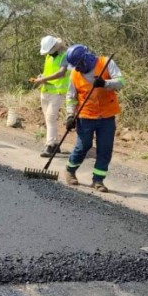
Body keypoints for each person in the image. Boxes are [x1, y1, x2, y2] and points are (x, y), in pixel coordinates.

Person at [64, 44, 125, 192]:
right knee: (83, 145)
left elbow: (121, 82)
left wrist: (105, 83)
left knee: (105, 148)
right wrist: (70, 116)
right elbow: (71, 97)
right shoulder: (74, 74)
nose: (77, 69)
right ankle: (70, 170)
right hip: (85, 115)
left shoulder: (106, 63)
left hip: (107, 116)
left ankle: (98, 180)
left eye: (79, 65)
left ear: (85, 59)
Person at [30, 35, 70, 157]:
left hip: (58, 92)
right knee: (48, 119)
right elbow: (49, 71)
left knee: (50, 117)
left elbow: (61, 73)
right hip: (46, 90)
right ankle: (56, 144)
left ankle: (49, 145)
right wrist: (42, 77)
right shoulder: (48, 56)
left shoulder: (66, 56)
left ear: (55, 47)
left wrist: (43, 79)